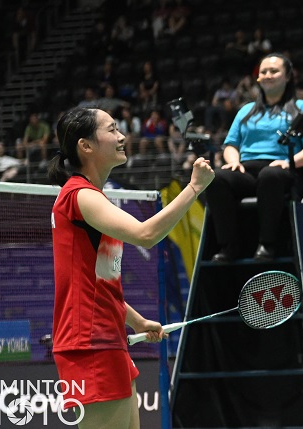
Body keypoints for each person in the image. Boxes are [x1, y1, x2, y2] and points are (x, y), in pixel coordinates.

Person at [48, 106, 214, 429]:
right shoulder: (79, 196)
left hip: (109, 339)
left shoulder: (92, 198)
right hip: (89, 345)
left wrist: (136, 321)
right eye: (111, 130)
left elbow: (97, 283)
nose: (122, 136)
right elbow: (146, 234)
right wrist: (194, 189)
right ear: (86, 146)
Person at [207, 54, 303, 262]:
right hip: (246, 171)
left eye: (274, 71)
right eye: (263, 72)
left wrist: (289, 162)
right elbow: (231, 145)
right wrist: (233, 161)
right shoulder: (246, 110)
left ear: (287, 76)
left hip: (281, 170)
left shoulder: (302, 109)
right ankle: (229, 247)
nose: (268, 75)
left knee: (270, 175)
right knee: (215, 178)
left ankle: (267, 245)